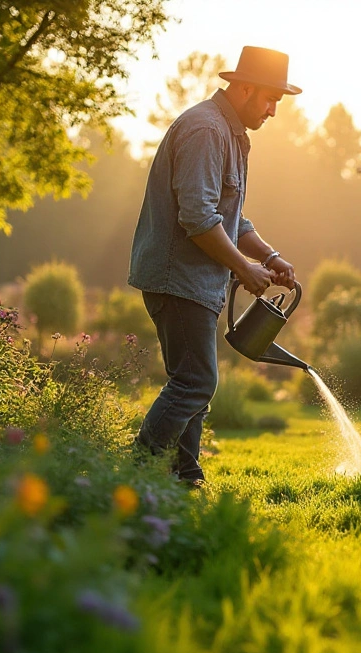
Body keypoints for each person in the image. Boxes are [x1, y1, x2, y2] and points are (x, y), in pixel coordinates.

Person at [128, 46, 301, 487]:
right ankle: (135, 476)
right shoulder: (205, 130)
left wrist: (269, 256)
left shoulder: (232, 134)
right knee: (195, 383)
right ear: (243, 87)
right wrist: (245, 269)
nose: (273, 111)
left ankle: (184, 477)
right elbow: (198, 219)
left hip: (196, 282)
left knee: (193, 386)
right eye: (269, 99)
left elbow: (232, 219)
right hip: (177, 279)